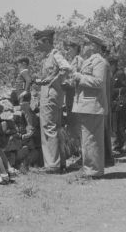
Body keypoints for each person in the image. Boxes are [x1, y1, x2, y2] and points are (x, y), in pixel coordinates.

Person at [70, 33, 109, 178]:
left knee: (92, 140)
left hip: (93, 105)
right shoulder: (88, 61)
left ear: (93, 46)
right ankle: (89, 169)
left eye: (86, 44)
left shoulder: (99, 62)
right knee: (87, 140)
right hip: (86, 105)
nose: (84, 47)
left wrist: (80, 77)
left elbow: (99, 82)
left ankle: (93, 171)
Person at [33, 29, 71, 174]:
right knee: (55, 128)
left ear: (47, 41)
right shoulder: (48, 57)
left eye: (39, 42)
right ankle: (60, 163)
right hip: (51, 96)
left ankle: (52, 165)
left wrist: (51, 81)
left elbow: (66, 68)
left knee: (49, 127)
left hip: (50, 96)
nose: (38, 45)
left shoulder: (55, 54)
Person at [61, 40, 83, 143]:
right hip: (71, 97)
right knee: (73, 124)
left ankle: (83, 154)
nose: (67, 51)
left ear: (75, 48)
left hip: (76, 97)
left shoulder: (78, 60)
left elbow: (77, 79)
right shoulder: (73, 60)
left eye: (69, 49)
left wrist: (67, 83)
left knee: (77, 125)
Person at [108, 57, 126, 154]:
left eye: (109, 65)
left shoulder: (120, 73)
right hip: (114, 103)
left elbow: (125, 88)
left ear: (113, 65)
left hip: (121, 102)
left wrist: (112, 91)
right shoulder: (112, 74)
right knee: (115, 125)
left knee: (120, 125)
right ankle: (119, 143)